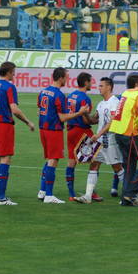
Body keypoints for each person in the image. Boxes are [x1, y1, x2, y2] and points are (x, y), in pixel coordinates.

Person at [0, 62, 35, 206]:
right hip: (4, 126)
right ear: (9, 72)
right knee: (5, 159)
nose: (15, 74)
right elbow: (15, 109)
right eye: (14, 72)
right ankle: (1, 198)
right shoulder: (9, 87)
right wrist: (28, 122)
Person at [37, 67, 90, 204]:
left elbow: (39, 111)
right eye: (66, 77)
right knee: (54, 160)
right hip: (54, 130)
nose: (67, 80)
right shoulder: (59, 95)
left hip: (43, 128)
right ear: (60, 78)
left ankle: (42, 191)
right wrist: (80, 112)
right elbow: (62, 117)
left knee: (50, 159)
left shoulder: (43, 91)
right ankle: (49, 195)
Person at [109, 74, 138, 206]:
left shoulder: (126, 93)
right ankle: (130, 192)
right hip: (130, 133)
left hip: (119, 131)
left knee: (129, 166)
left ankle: (126, 198)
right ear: (137, 83)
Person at [82, 77, 125, 202]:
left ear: (109, 87)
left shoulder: (114, 102)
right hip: (100, 141)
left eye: (101, 86)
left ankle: (129, 194)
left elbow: (112, 122)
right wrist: (83, 113)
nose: (99, 88)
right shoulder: (101, 104)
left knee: (117, 167)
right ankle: (88, 196)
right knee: (94, 164)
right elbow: (94, 120)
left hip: (110, 140)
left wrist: (99, 134)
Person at [65, 72, 96, 202]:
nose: (92, 83)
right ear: (85, 82)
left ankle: (71, 193)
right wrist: (95, 120)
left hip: (70, 130)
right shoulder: (84, 98)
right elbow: (86, 120)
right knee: (96, 160)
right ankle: (92, 192)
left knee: (72, 161)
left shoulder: (71, 95)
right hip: (81, 131)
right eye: (90, 81)